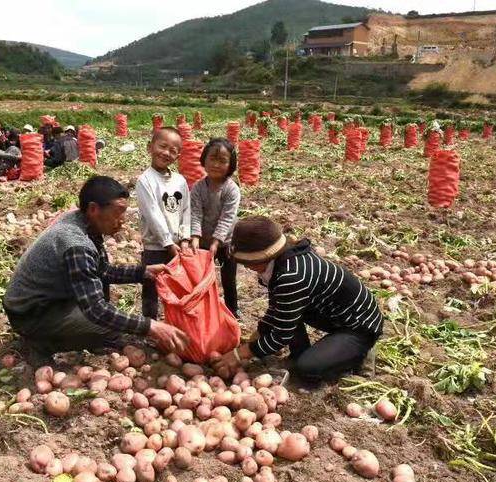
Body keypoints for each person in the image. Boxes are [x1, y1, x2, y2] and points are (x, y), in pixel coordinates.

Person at [3, 176, 190, 364]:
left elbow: (102, 272)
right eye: (119, 212)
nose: (123, 220)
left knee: (110, 315)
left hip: (49, 300)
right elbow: (96, 310)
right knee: (110, 327)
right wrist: (151, 326)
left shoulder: (83, 221)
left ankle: (70, 331)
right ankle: (40, 343)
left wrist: (143, 272)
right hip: (30, 314)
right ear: (94, 209)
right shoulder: (76, 243)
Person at [212, 216, 383, 382]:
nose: (246, 267)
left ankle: (359, 352)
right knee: (288, 325)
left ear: (262, 257)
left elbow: (280, 337)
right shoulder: (283, 260)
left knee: (308, 369)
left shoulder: (291, 276)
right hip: (331, 312)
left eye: (246, 261)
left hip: (360, 325)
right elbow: (280, 306)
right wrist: (261, 331)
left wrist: (240, 353)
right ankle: (301, 352)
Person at [136, 127, 191, 319]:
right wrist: (167, 243)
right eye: (163, 146)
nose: (167, 153)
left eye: (173, 150)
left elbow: (186, 210)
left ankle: (176, 322)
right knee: (151, 288)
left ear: (178, 156)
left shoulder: (180, 181)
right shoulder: (145, 180)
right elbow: (153, 214)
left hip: (177, 246)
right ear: (150, 147)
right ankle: (149, 326)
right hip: (155, 246)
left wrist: (184, 238)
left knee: (178, 286)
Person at [190, 138, 241, 317]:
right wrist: (195, 237)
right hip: (203, 241)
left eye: (222, 161)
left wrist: (216, 241)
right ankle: (207, 311)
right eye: (212, 158)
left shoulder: (231, 189)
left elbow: (228, 218)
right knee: (203, 278)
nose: (216, 164)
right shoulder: (197, 188)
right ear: (204, 159)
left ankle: (232, 311)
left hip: (226, 242)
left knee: (228, 278)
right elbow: (195, 213)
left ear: (230, 164)